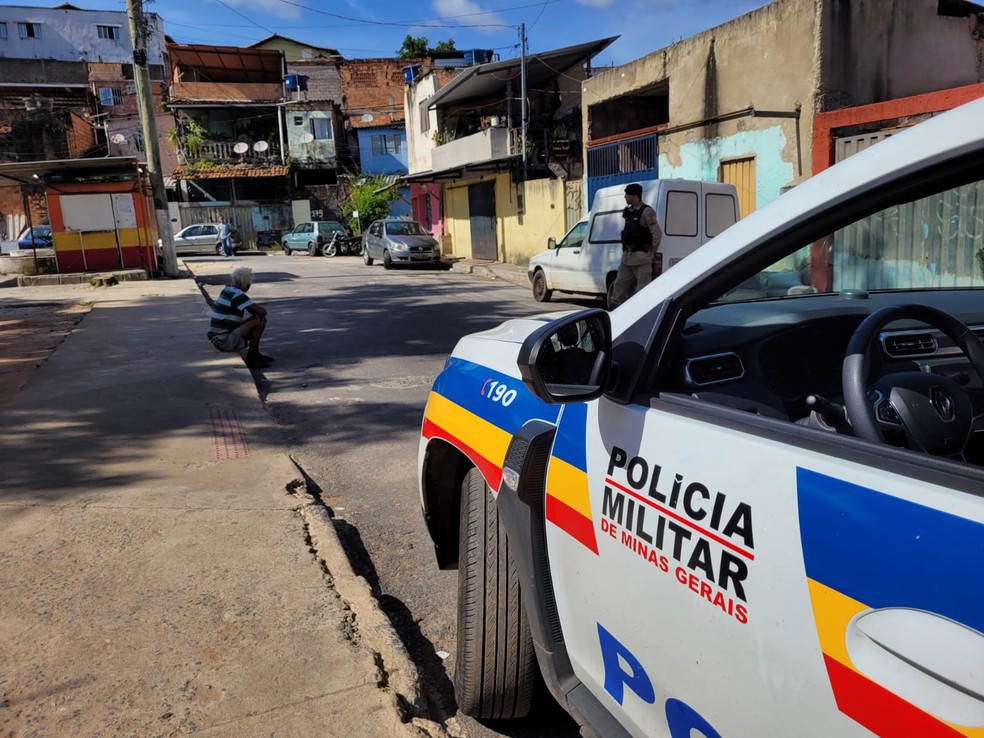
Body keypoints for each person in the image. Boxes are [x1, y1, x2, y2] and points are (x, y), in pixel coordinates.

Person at [207, 266, 274, 369]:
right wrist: (256, 313)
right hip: (224, 341)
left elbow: (253, 310)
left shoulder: (228, 290)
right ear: (246, 283)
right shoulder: (237, 294)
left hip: (219, 338)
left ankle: (255, 354)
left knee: (258, 319)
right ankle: (252, 358)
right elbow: (262, 312)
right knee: (259, 321)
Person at [609, 183, 663, 309]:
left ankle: (640, 312)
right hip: (627, 258)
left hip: (641, 258)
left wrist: (651, 253)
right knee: (619, 286)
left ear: (634, 195)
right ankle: (616, 309)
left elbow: (657, 234)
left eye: (627, 194)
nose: (625, 197)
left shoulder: (646, 212)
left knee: (642, 290)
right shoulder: (629, 211)